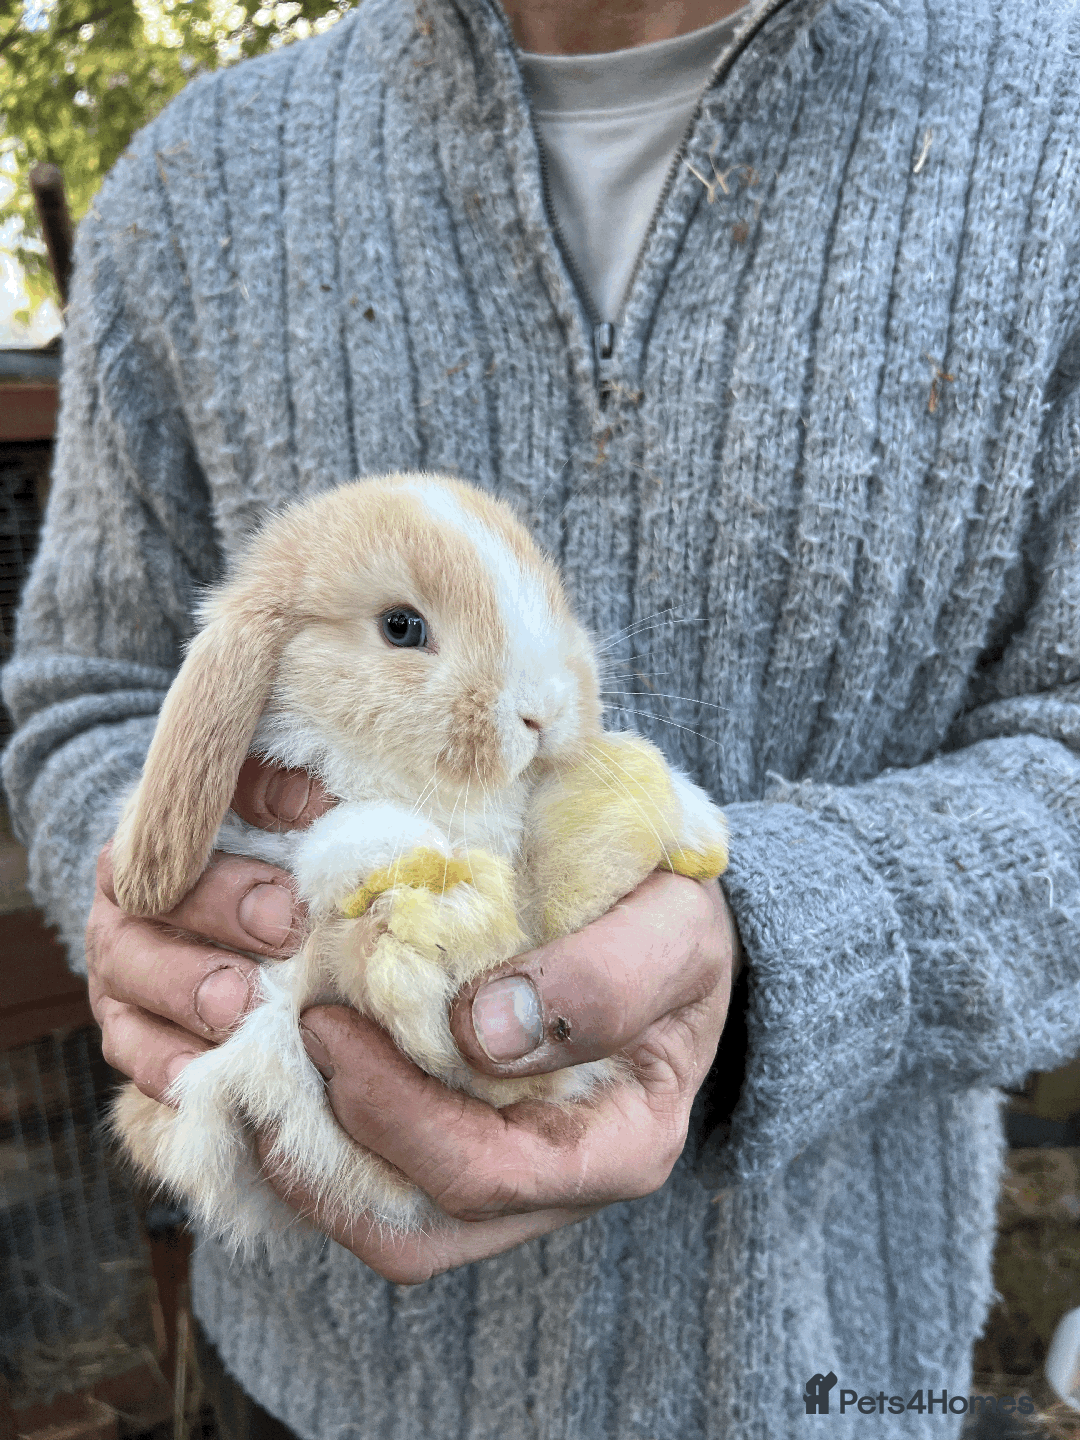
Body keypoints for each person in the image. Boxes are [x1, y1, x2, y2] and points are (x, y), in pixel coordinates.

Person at [5, 0, 1080, 1431]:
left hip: (823, 1374)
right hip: (315, 1375)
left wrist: (772, 941)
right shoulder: (191, 185)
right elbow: (87, 690)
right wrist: (177, 900)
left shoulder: (1053, 118)